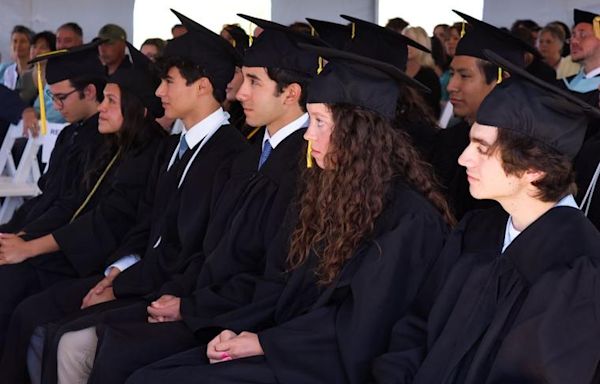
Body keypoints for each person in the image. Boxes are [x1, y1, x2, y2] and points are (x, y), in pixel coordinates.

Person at [126, 43, 452, 384]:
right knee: (155, 372)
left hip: (326, 365)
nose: (309, 135)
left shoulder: (408, 219)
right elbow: (288, 289)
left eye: (321, 122)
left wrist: (264, 342)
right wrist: (240, 331)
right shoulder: (335, 194)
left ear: (360, 135)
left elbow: (362, 327)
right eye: (310, 120)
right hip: (291, 345)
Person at [40, 11, 319, 384]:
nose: (240, 92)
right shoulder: (251, 157)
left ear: (291, 93)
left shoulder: (299, 166)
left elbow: (269, 272)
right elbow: (210, 248)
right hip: (197, 295)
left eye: (254, 80)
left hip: (234, 315)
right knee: (67, 333)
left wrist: (189, 305)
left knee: (107, 350)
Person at [2, 19, 249, 382]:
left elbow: (198, 248)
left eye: (168, 81)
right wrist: (119, 270)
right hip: (142, 275)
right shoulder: (175, 149)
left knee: (69, 337)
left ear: (201, 87)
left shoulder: (230, 156)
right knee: (54, 329)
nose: (160, 92)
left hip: (177, 291)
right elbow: (148, 226)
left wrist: (121, 284)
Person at [372, 49, 600, 384]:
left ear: (533, 168)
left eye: (481, 147)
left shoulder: (579, 268)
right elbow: (416, 327)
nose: (463, 158)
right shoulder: (477, 230)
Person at [0, 39, 167, 374]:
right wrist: (15, 235)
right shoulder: (105, 142)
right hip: (82, 249)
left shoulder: (142, 151)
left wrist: (28, 246)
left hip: (95, 259)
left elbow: (94, 217)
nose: (54, 104)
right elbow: (53, 200)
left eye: (110, 100)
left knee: (19, 299)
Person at [430, 10, 538, 220]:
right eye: (452, 74)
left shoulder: (521, 156)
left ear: (501, 79)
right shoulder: (447, 141)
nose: (452, 86)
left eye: (464, 75)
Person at [403, 26, 442, 117]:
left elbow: (433, 109)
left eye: (411, 42)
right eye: (404, 41)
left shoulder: (429, 76)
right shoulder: (398, 70)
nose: (406, 46)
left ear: (421, 44)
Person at [0, 25, 36, 104]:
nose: (18, 45)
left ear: (31, 45)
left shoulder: (37, 71)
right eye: (15, 41)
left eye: (23, 41)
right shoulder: (8, 71)